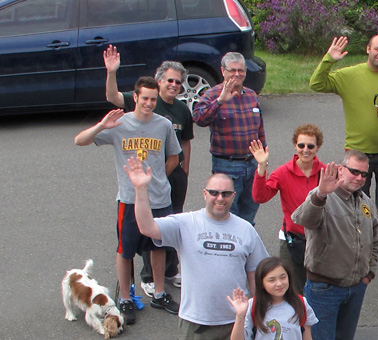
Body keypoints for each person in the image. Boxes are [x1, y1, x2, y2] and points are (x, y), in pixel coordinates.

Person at [74, 77, 182, 324]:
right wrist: (102, 125)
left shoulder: (163, 124)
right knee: (126, 250)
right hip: (129, 199)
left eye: (153, 99)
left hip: (159, 198)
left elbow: (174, 157)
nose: (149, 103)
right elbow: (79, 140)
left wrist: (156, 180)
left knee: (158, 247)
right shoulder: (119, 124)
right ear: (135, 97)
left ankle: (159, 292)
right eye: (144, 98)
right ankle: (125, 297)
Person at [125, 160, 269, 340]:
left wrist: (258, 313)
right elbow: (147, 227)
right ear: (204, 194)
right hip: (194, 321)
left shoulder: (246, 229)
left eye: (225, 194)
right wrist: (140, 189)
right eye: (214, 193)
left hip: (235, 321)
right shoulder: (185, 223)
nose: (220, 198)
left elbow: (255, 274)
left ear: (233, 196)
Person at [309, 35, 378, 271]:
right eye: (377, 49)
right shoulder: (350, 75)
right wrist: (329, 59)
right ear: (368, 49)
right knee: (354, 200)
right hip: (357, 153)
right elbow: (316, 84)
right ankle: (357, 246)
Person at [103, 45, 192, 296]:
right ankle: (144, 280)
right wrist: (111, 72)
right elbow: (113, 97)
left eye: (178, 82)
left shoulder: (181, 110)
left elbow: (184, 143)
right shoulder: (145, 101)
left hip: (170, 174)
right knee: (137, 233)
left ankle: (167, 273)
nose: (174, 85)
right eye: (169, 80)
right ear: (159, 81)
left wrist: (184, 171)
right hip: (144, 180)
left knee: (166, 230)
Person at [291, 150, 378, 340]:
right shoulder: (322, 196)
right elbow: (302, 219)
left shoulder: (366, 202)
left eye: (364, 174)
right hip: (324, 289)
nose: (359, 178)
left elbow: (374, 238)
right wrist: (321, 194)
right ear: (340, 169)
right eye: (354, 171)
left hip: (356, 287)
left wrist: (369, 273)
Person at [193, 52, 267, 225]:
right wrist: (219, 101)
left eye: (240, 70)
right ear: (223, 71)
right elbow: (199, 119)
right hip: (227, 166)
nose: (237, 74)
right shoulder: (212, 95)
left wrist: (263, 160)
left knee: (248, 217)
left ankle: (245, 248)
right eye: (232, 70)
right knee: (227, 217)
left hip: (253, 165)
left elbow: (260, 130)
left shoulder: (251, 95)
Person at [250, 124, 326, 291]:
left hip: (320, 239)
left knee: (320, 288)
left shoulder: (325, 172)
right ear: (295, 145)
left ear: (318, 147)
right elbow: (260, 196)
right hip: (292, 240)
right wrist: (261, 167)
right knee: (292, 289)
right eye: (301, 145)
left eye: (310, 146)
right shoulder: (283, 173)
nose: (305, 150)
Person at [227, 257, 318, 340]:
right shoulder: (253, 306)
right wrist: (240, 315)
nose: (279, 283)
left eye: (283, 277)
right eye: (271, 280)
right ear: (261, 283)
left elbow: (307, 336)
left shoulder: (301, 303)